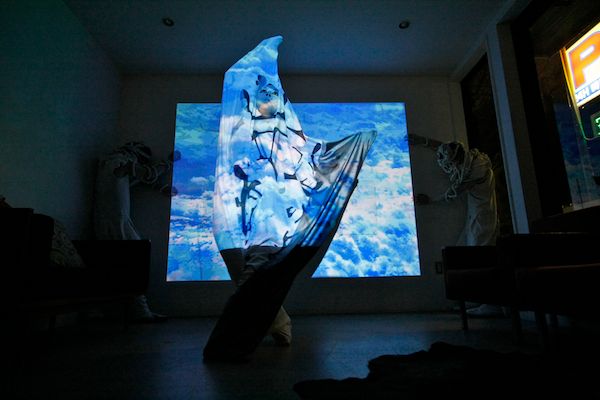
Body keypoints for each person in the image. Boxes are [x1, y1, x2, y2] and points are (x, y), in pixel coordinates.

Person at [408, 133, 502, 317]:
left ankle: (490, 303)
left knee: (481, 258)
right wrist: (423, 140)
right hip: (476, 215)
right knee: (469, 254)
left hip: (482, 218)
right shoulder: (472, 159)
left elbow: (453, 192)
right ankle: (476, 298)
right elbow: (443, 147)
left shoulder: (475, 172)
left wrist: (430, 200)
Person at [93, 142, 177, 322]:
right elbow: (147, 174)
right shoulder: (118, 161)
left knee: (112, 267)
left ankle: (101, 311)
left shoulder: (108, 164)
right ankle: (141, 312)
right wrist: (168, 162)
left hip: (107, 220)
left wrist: (161, 188)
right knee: (137, 263)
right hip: (118, 221)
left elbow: (133, 180)